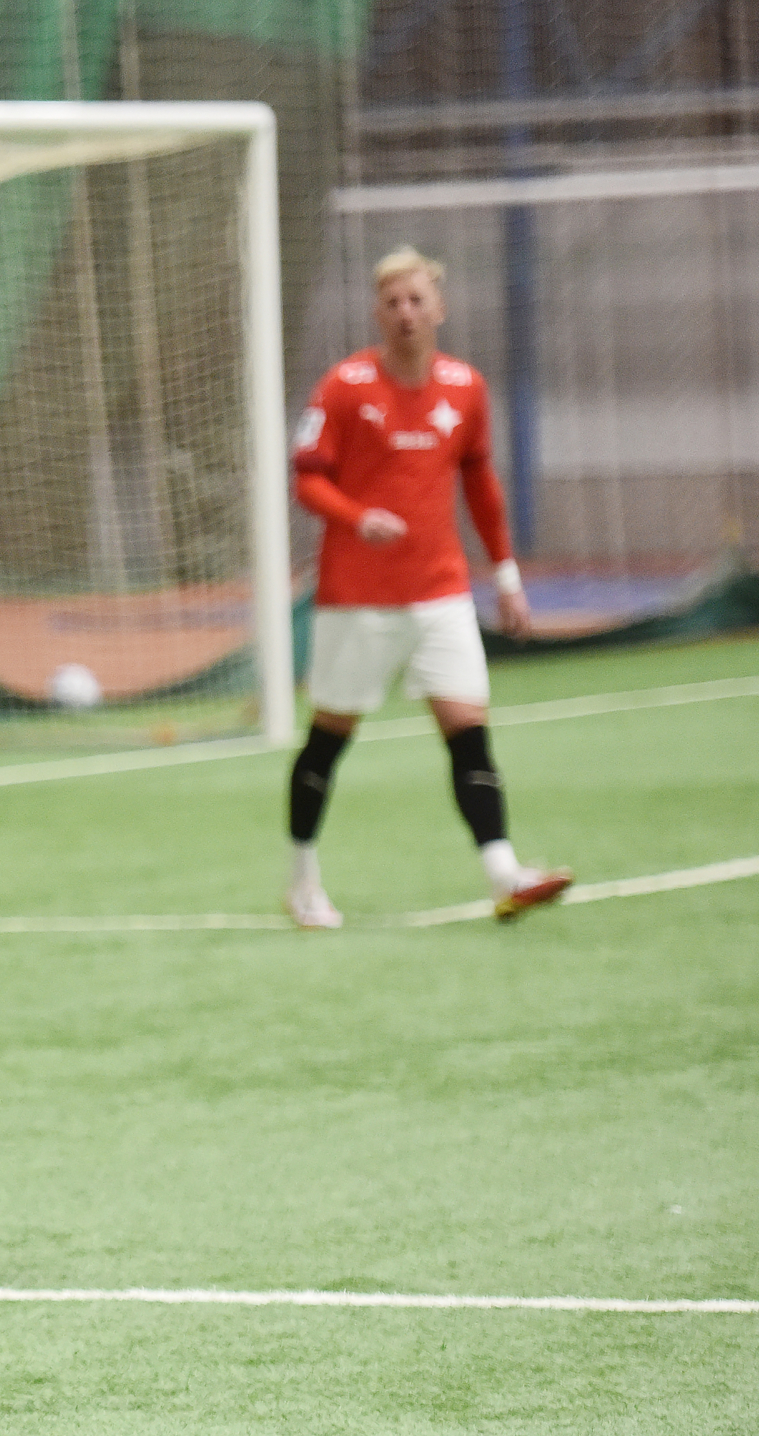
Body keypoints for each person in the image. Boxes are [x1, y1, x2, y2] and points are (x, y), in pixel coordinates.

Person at [287, 247, 573, 927]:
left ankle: (504, 873)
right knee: (329, 738)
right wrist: (358, 518)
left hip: (440, 593)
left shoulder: (465, 387)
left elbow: (481, 485)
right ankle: (302, 880)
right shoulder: (345, 386)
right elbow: (307, 478)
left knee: (467, 730)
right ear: (377, 313)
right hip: (357, 598)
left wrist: (506, 576)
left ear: (439, 307)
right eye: (392, 302)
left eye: (417, 300)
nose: (405, 313)